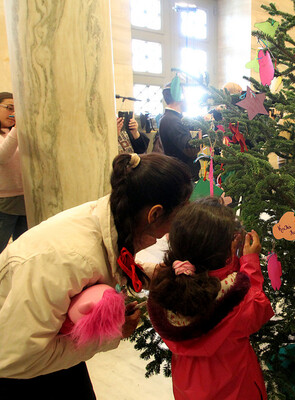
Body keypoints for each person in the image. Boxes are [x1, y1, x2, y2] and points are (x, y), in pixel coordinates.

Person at [0, 153, 192, 399]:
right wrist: (110, 333)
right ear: (154, 214)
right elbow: (17, 358)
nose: (172, 229)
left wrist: (149, 273)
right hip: (25, 371)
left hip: (56, 350)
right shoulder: (65, 260)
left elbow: (111, 258)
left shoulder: (117, 215)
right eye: (179, 213)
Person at [148, 197, 274, 400]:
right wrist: (249, 262)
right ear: (222, 253)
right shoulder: (236, 299)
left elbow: (214, 279)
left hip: (188, 388)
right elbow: (258, 306)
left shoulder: (165, 289)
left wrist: (230, 259)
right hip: (235, 389)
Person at [0, 92, 27, 252]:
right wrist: (17, 129)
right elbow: (2, 157)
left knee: (22, 247)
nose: (13, 114)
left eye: (17, 110)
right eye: (9, 108)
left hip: (25, 198)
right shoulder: (14, 133)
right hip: (5, 200)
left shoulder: (15, 133)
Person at [157, 84, 200, 178]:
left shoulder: (172, 117)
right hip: (182, 175)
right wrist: (203, 131)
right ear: (179, 97)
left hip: (180, 172)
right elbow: (190, 149)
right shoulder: (172, 120)